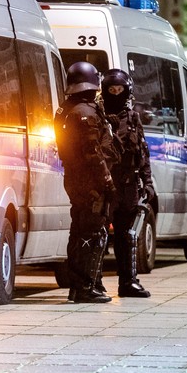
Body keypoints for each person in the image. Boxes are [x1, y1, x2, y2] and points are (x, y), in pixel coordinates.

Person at [54, 62, 119, 303]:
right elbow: (93, 152)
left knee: (79, 231)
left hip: (75, 178)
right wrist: (108, 181)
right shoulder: (85, 113)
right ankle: (84, 287)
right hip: (90, 181)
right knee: (92, 233)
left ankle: (79, 286)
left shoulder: (65, 110)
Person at [100, 69, 153, 298]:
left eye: (119, 90)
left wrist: (147, 181)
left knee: (127, 235)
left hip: (129, 184)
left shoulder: (133, 118)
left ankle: (128, 281)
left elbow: (142, 151)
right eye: (111, 90)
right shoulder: (99, 117)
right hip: (107, 185)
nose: (116, 94)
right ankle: (94, 282)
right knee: (99, 234)